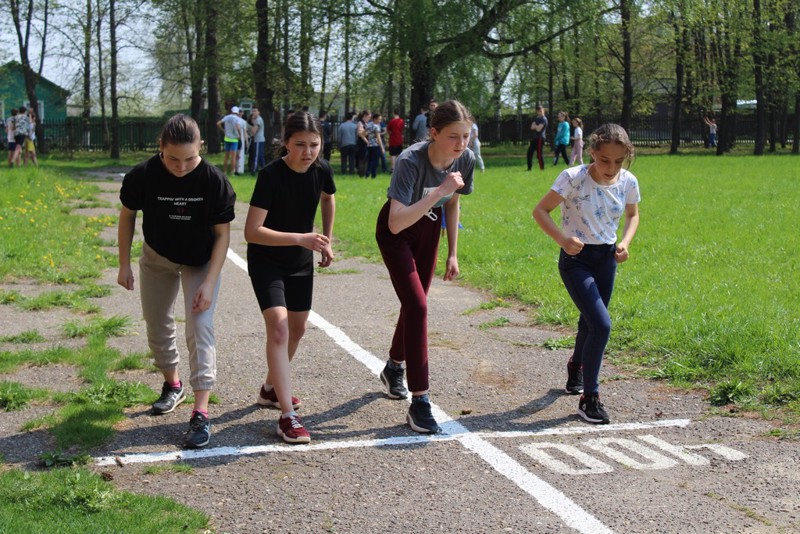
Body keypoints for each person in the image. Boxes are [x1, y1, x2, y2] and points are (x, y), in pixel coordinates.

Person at [117, 114, 236, 448]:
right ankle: (173, 384)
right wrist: (124, 263)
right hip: (157, 257)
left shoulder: (214, 180)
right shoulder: (142, 175)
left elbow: (223, 236)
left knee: (200, 326)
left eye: (190, 158)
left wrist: (210, 282)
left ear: (201, 147)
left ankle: (201, 412)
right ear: (161, 148)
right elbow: (127, 216)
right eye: (173, 159)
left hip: (199, 261)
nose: (181, 167)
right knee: (157, 325)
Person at [375, 99, 475, 434]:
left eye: (466, 136)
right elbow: (396, 222)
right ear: (433, 133)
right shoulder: (410, 161)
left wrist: (453, 253)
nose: (461, 144)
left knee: (414, 305)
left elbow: (454, 203)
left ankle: (393, 367)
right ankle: (420, 401)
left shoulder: (467, 158)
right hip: (397, 232)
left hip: (430, 230)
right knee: (417, 305)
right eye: (453, 137)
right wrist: (440, 191)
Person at [532, 123, 640, 425]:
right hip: (575, 259)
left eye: (618, 161)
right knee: (601, 325)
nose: (611, 167)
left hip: (607, 259)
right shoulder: (573, 178)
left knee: (589, 321)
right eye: (605, 160)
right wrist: (562, 240)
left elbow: (633, 215)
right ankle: (589, 398)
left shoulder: (628, 181)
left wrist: (626, 243)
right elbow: (540, 211)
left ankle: (577, 365)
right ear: (592, 152)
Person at [244, 111, 336, 444]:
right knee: (280, 328)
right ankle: (287, 416)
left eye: (314, 145)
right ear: (286, 143)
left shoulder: (322, 170)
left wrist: (326, 238)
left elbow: (328, 197)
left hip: (301, 261)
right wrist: (302, 237)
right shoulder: (270, 175)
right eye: (300, 145)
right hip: (267, 261)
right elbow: (252, 232)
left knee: (298, 330)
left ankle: (270, 390)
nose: (308, 152)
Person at [217, 105, 244, 176]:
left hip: (227, 138)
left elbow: (218, 123)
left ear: (232, 111)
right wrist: (239, 135)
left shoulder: (227, 117)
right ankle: (232, 172)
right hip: (234, 139)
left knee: (226, 156)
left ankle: (224, 171)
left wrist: (223, 130)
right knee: (233, 156)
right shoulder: (237, 119)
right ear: (237, 112)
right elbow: (238, 127)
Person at [527, 105, 548, 171]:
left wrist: (535, 126)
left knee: (539, 155)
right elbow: (531, 127)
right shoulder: (536, 118)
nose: (540, 112)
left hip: (540, 138)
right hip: (535, 138)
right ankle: (529, 168)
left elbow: (539, 129)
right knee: (529, 153)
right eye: (538, 111)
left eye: (541, 111)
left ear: (543, 110)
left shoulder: (543, 119)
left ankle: (542, 169)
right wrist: (537, 126)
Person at [365, 112, 384, 179]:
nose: (380, 121)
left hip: (369, 145)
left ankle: (367, 172)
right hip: (375, 145)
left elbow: (364, 133)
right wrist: (382, 147)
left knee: (370, 160)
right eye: (379, 119)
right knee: (375, 161)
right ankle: (373, 174)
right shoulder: (376, 126)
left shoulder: (369, 124)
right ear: (375, 119)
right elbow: (378, 137)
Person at [250, 107, 267, 174]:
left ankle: (254, 170)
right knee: (261, 156)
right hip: (261, 140)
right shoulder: (257, 119)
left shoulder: (258, 119)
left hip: (258, 140)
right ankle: (264, 169)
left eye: (255, 111)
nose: (254, 112)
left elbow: (254, 131)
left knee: (256, 155)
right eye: (253, 111)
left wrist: (251, 132)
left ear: (258, 112)